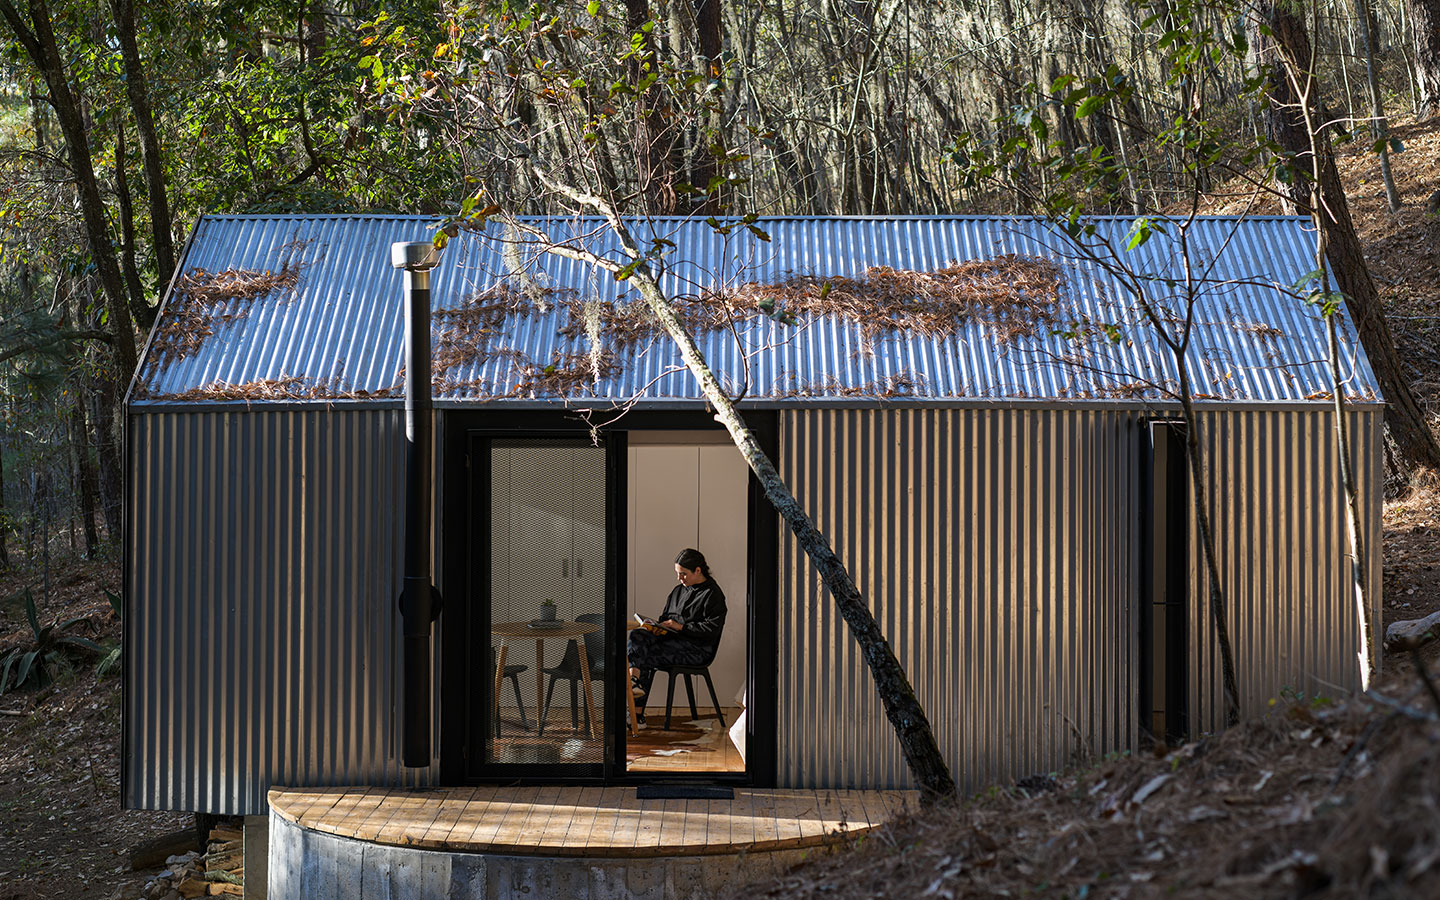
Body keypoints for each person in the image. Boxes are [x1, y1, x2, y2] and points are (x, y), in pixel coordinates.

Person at [627, 548, 726, 721]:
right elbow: (665, 618)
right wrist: (657, 627)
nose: (679, 578)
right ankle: (634, 682)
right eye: (677, 573)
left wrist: (681, 627)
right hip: (670, 641)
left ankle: (636, 715)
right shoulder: (678, 591)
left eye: (683, 574)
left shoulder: (713, 594)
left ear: (698, 570)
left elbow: (711, 630)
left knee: (645, 656)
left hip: (697, 649)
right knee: (637, 635)